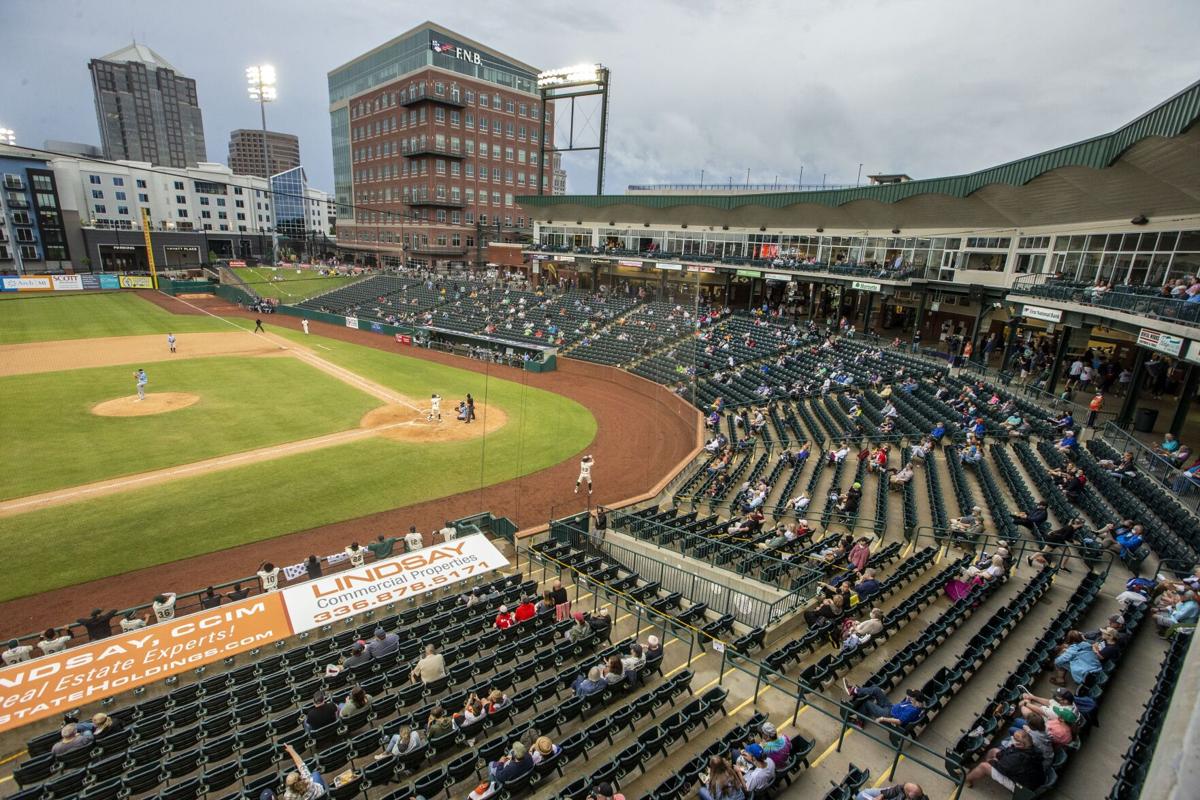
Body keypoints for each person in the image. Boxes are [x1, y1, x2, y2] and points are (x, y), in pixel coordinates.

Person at [963, 728, 1046, 791]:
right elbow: (1007, 755)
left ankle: (965, 779)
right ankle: (980, 771)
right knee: (993, 751)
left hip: (1023, 788)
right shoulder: (1030, 747)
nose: (1012, 738)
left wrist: (992, 762)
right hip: (1029, 776)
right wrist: (998, 757)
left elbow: (1003, 767)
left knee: (983, 766)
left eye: (1015, 739)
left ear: (1020, 744)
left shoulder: (1019, 758)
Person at [844, 682, 926, 729]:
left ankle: (859, 722)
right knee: (876, 689)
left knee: (867, 703)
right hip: (891, 707)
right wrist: (909, 699)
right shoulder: (917, 703)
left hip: (888, 714)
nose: (909, 696)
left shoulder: (912, 711)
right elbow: (907, 705)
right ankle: (855, 691)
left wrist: (882, 718)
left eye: (911, 696)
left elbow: (899, 721)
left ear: (915, 699)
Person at [856, 783, 927, 800]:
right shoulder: (904, 789)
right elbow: (897, 789)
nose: (903, 786)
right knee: (864, 793)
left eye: (905, 789)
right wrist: (882, 795)